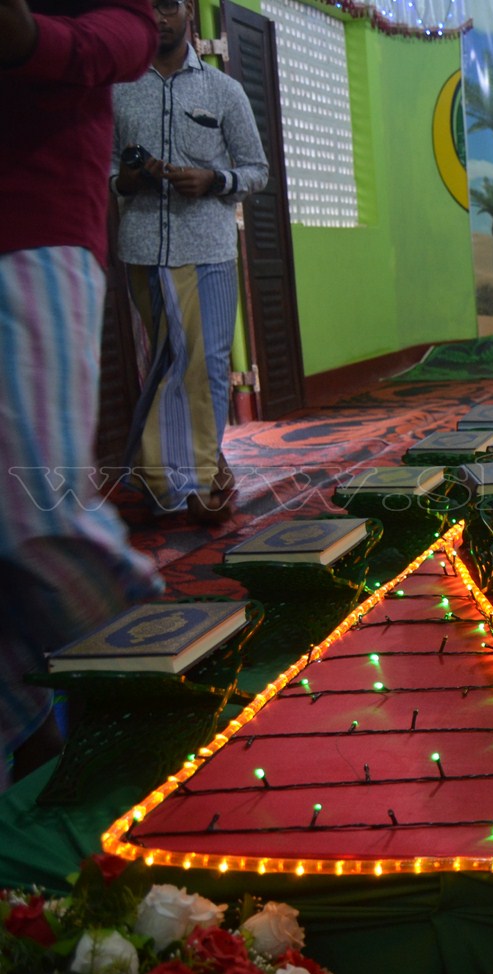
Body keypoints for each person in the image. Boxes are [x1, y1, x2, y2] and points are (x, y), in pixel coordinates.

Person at [0, 0, 164, 787]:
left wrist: (32, 39)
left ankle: (179, 692)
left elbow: (127, 28)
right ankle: (35, 758)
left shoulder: (218, 91)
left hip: (32, 215)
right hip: (133, 236)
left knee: (32, 511)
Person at [114, 0, 268, 524]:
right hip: (142, 250)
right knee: (167, 364)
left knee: (205, 365)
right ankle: (182, 472)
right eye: (148, 6)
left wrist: (214, 180)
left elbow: (256, 169)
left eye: (168, 5)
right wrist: (125, 179)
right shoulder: (117, 89)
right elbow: (104, 166)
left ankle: (193, 478)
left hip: (208, 250)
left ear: (187, 11)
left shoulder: (223, 90)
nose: (158, 17)